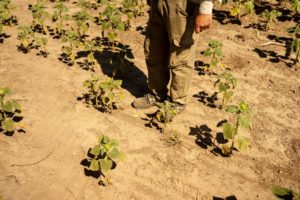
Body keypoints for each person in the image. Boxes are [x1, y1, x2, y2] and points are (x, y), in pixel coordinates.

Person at [132, 0, 214, 112]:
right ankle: (157, 94)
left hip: (183, 4)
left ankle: (177, 102)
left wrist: (206, 7)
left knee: (181, 56)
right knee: (154, 49)